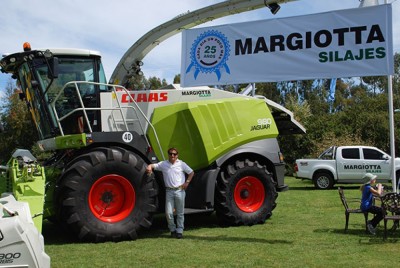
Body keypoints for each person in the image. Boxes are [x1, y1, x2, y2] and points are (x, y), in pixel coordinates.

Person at [146, 147, 194, 239]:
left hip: (180, 190)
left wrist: (187, 182)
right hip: (169, 191)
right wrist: (149, 167)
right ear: (168, 154)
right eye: (170, 153)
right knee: (168, 213)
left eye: (174, 154)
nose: (172, 155)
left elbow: (191, 172)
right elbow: (153, 165)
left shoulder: (181, 164)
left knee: (180, 212)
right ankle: (172, 230)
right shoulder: (164, 164)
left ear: (177, 155)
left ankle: (179, 230)